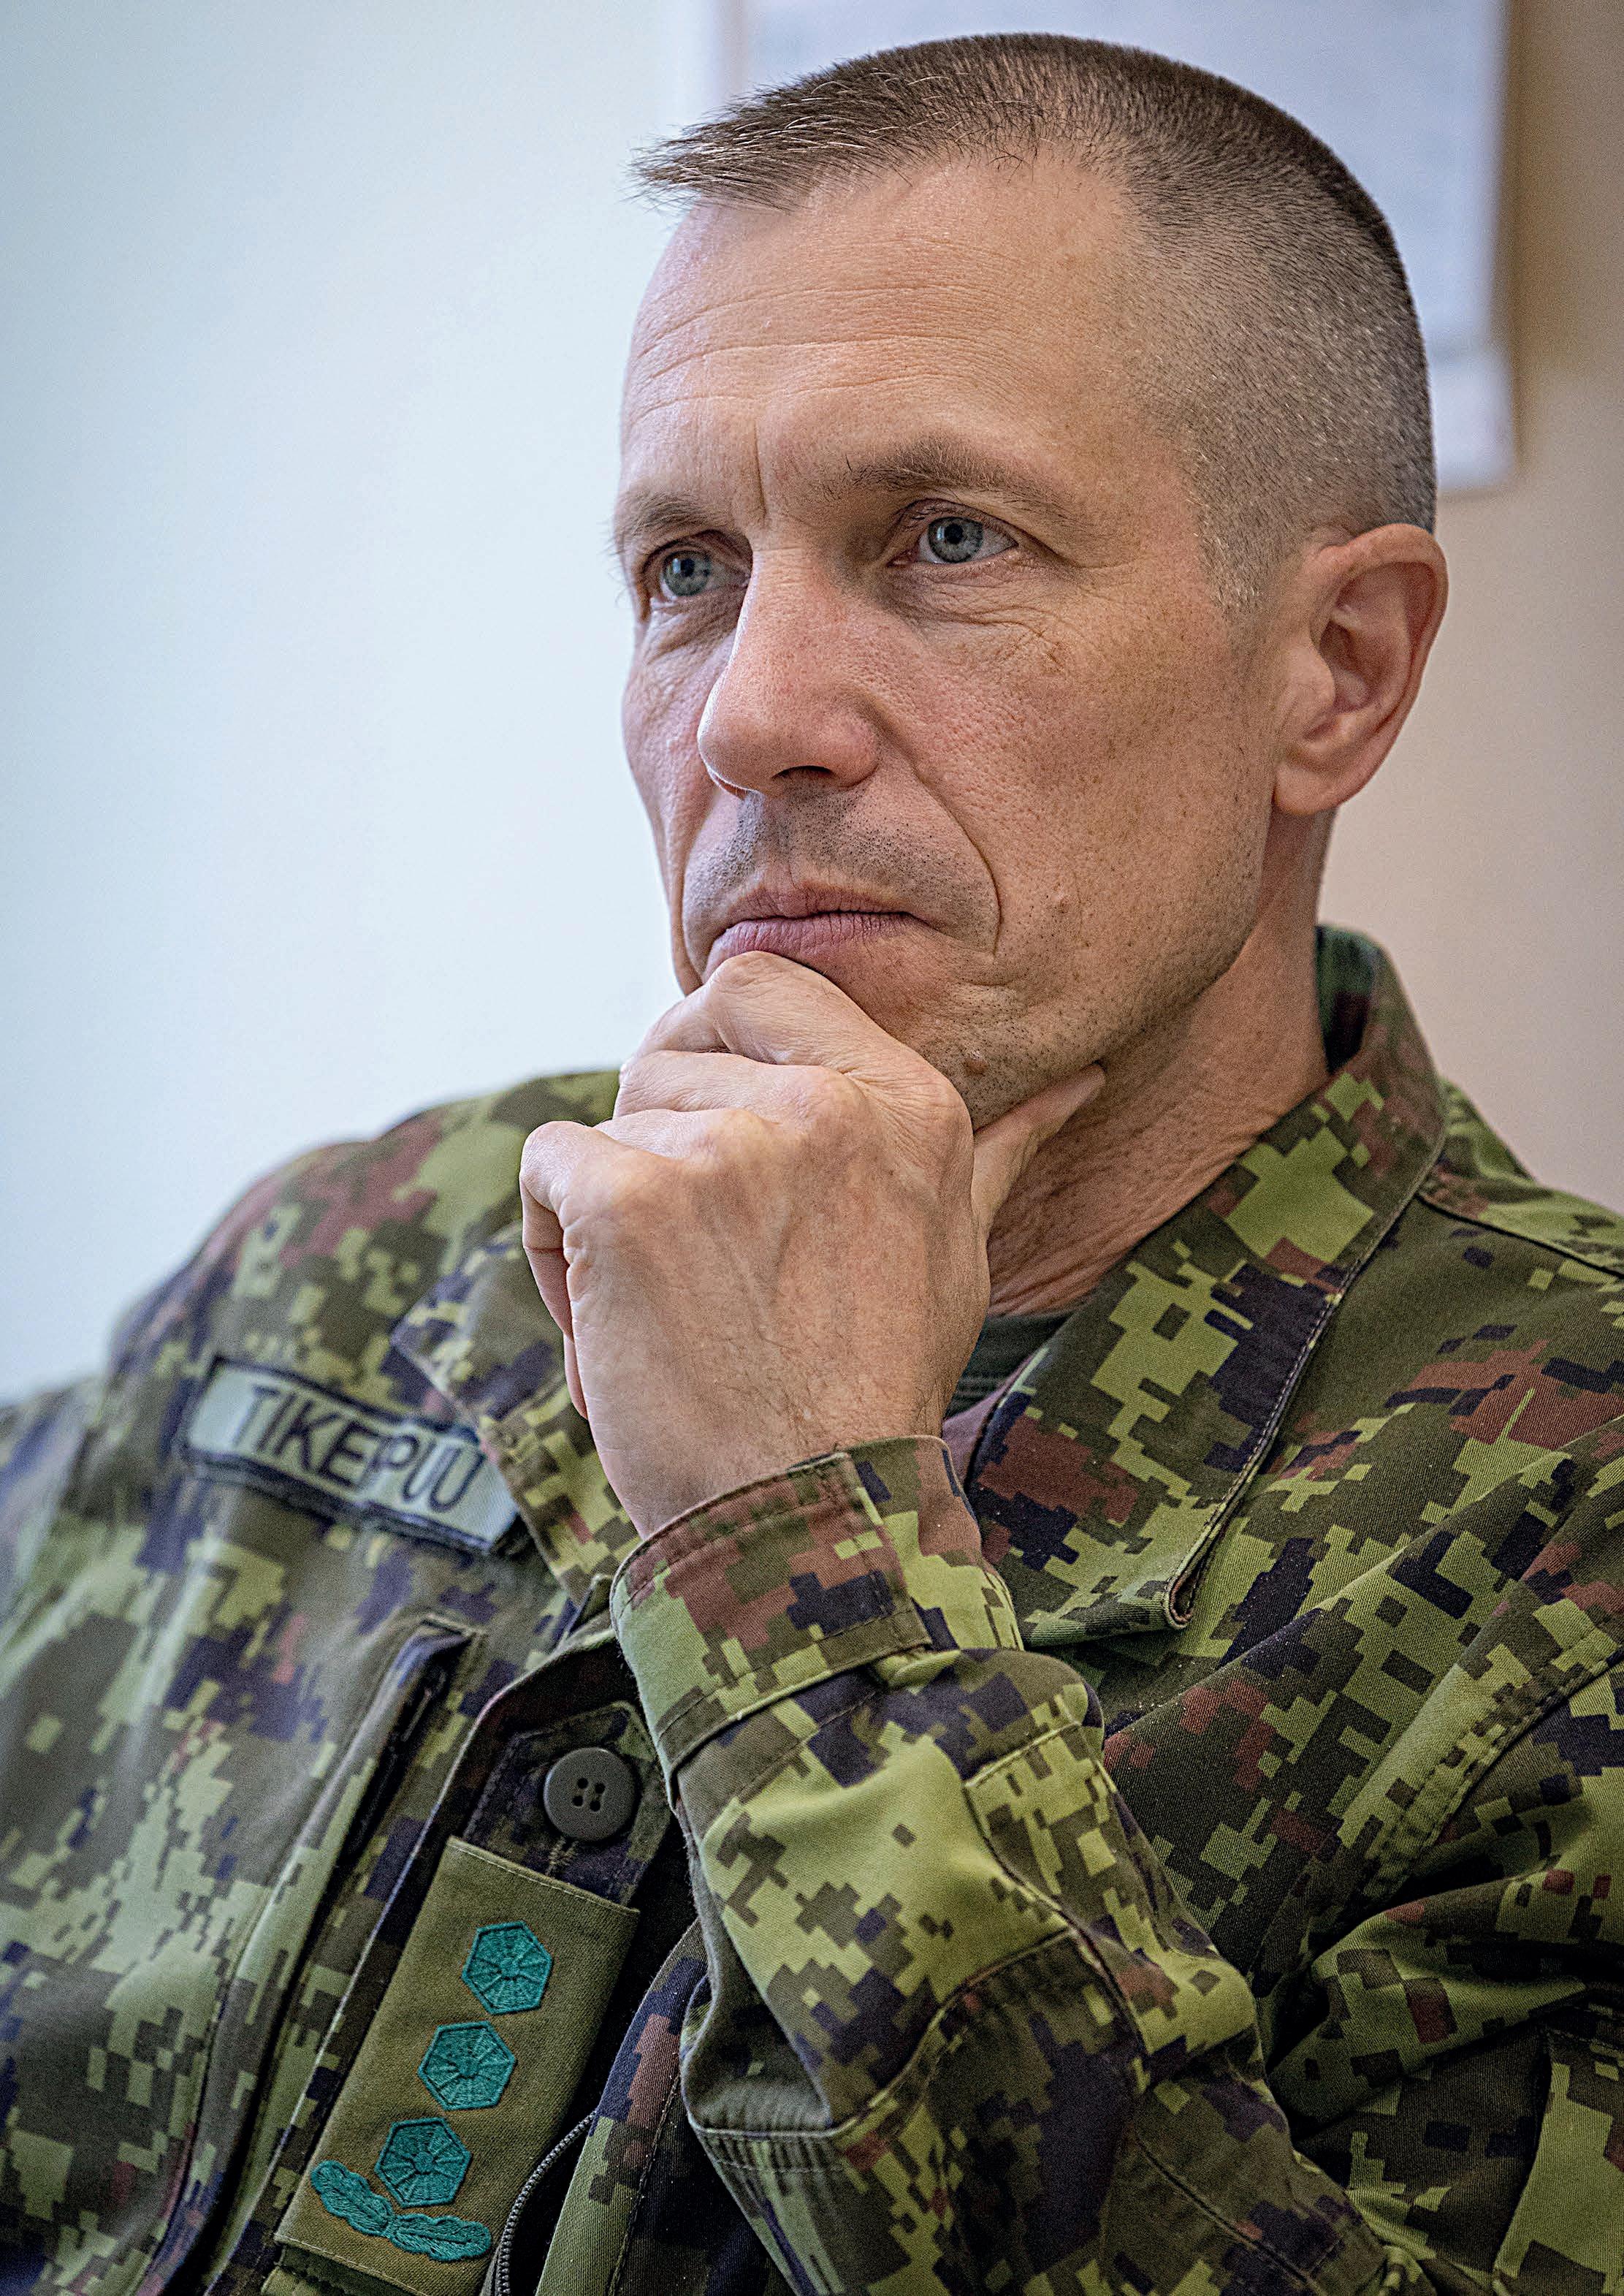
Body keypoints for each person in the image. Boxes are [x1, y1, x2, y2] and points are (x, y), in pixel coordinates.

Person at [1, 31, 1620, 2296]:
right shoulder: (352, 1257)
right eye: (687, 566)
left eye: (947, 541)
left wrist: (802, 1543)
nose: (752, 713)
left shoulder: (1565, 1515)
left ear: (1333, 670)